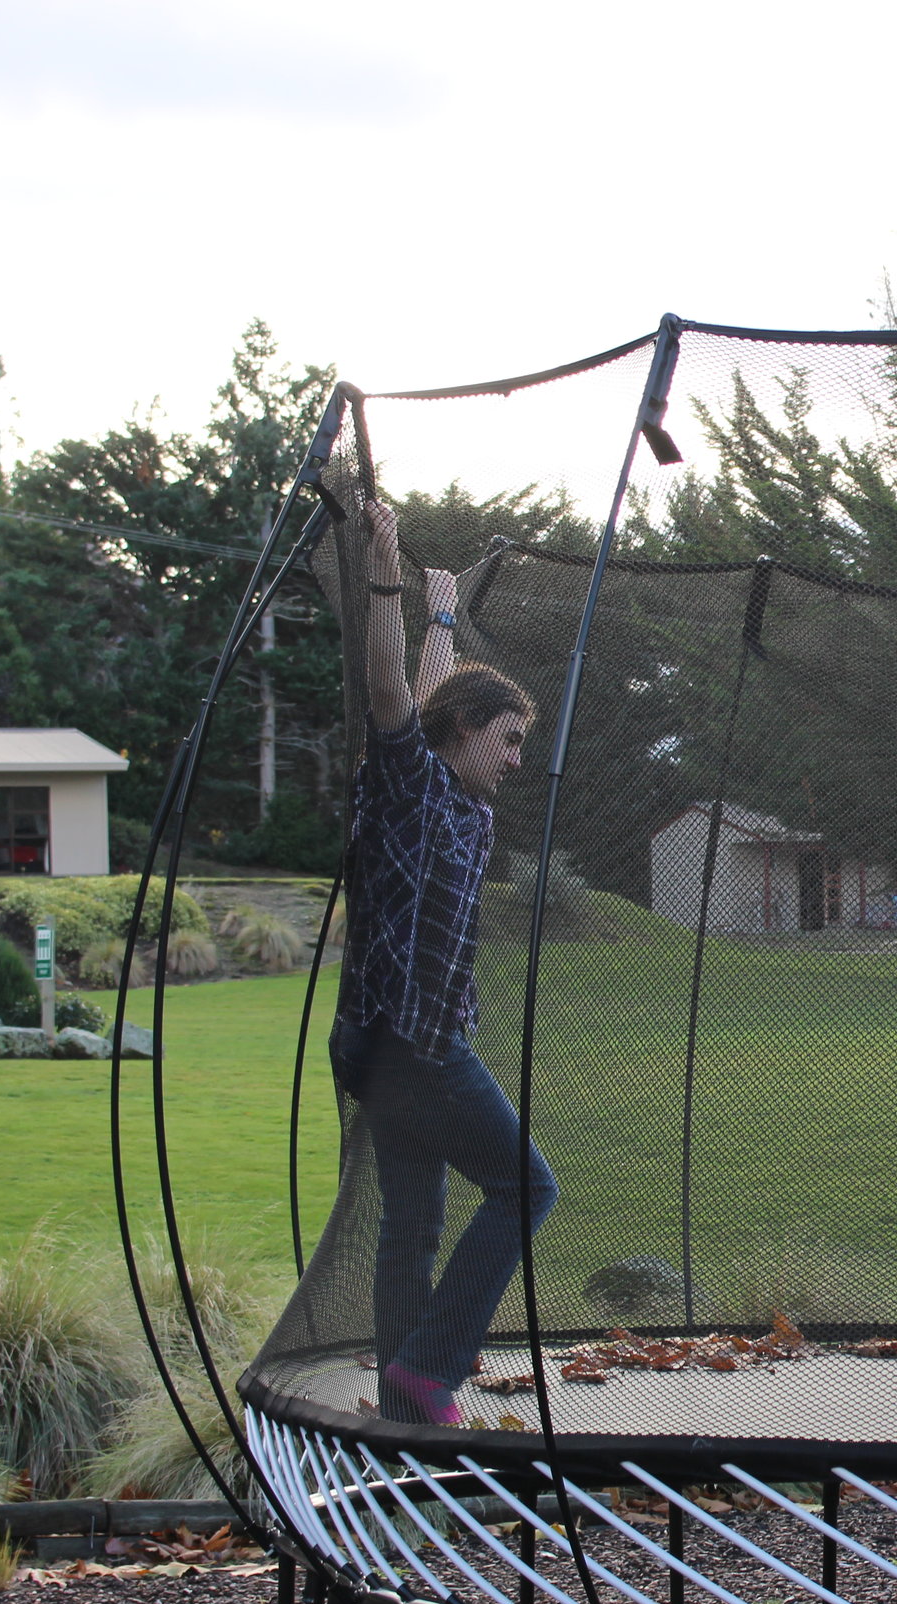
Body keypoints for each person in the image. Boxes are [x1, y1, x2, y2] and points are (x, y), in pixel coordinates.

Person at [332, 499, 554, 1426]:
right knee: (525, 1184)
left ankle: (402, 1390)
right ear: (466, 732)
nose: (515, 759)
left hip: (385, 1044)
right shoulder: (411, 782)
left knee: (412, 1221)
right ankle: (433, 1367)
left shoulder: (465, 802)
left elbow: (431, 686)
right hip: (414, 1044)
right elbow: (397, 694)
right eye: (508, 740)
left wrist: (444, 617)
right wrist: (384, 571)